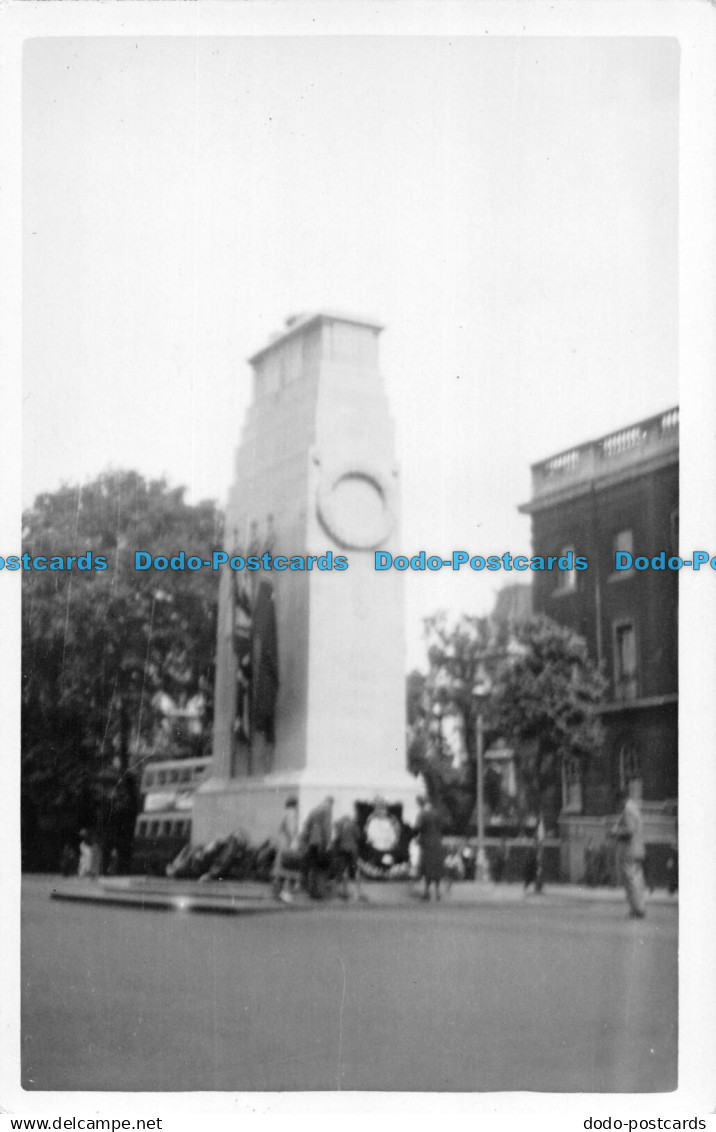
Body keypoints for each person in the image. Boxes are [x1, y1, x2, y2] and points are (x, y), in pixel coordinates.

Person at [612, 790, 647, 918]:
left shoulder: (628, 811)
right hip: (635, 849)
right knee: (636, 879)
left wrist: (615, 832)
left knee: (632, 880)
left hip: (630, 851)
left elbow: (629, 832)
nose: (617, 806)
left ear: (621, 800)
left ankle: (638, 908)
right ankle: (637, 907)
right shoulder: (634, 808)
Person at [301, 796, 334, 899]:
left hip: (312, 841)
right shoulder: (326, 810)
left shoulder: (314, 810)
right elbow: (326, 827)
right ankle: (318, 893)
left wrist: (305, 841)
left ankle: (311, 891)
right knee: (321, 868)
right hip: (321, 842)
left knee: (312, 866)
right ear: (331, 803)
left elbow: (306, 826)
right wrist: (328, 843)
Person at [414, 796, 444, 901]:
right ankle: (438, 892)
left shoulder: (422, 814)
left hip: (427, 844)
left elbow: (417, 828)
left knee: (427, 868)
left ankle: (427, 892)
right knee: (436, 868)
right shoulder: (437, 814)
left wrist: (417, 839)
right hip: (437, 843)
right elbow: (441, 828)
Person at [332, 807, 365, 901]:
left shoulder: (339, 825)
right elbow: (358, 837)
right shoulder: (353, 825)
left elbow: (337, 837)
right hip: (353, 850)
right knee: (356, 870)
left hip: (343, 850)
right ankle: (359, 892)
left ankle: (345, 892)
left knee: (344, 870)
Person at [272, 796, 301, 902]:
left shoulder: (285, 813)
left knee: (280, 870)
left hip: (282, 845)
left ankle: (277, 893)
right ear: (295, 804)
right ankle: (286, 893)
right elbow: (292, 830)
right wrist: (294, 843)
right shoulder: (292, 814)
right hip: (288, 846)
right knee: (289, 870)